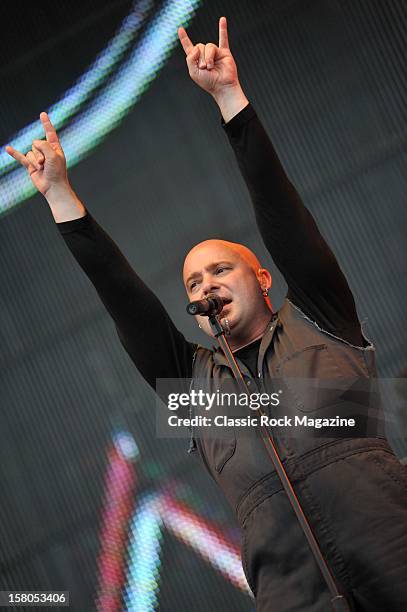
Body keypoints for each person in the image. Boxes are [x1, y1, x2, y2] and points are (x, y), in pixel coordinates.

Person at [6, 16, 407, 612]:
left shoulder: (320, 318)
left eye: (221, 269)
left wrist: (229, 99)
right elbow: (122, 294)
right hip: (293, 592)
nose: (205, 284)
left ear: (263, 278)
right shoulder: (194, 387)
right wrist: (61, 196)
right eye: (193, 281)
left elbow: (281, 210)